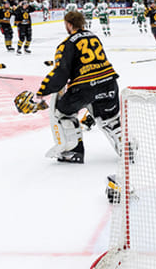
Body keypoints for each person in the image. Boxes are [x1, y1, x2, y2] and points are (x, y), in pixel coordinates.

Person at [18, 10, 121, 164]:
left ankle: (73, 150)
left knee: (63, 112)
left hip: (85, 87)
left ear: (69, 24)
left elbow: (61, 72)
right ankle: (126, 146)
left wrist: (42, 92)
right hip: (109, 83)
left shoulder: (67, 44)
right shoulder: (94, 37)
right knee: (110, 118)